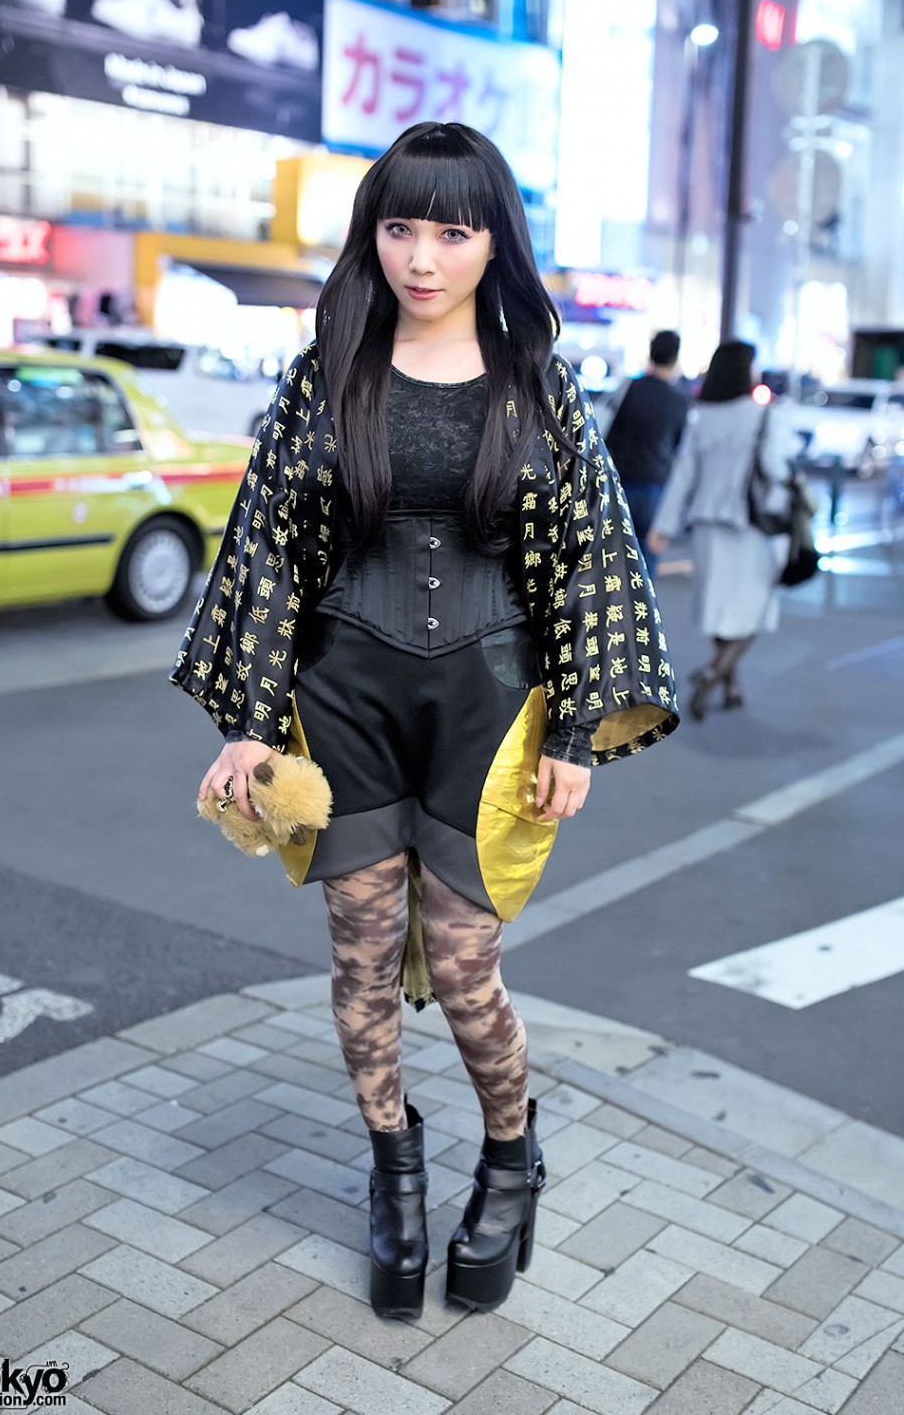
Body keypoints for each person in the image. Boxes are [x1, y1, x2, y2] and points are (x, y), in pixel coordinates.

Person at [171, 121, 679, 1321]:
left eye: (451, 229)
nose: (422, 255)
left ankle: (510, 1156)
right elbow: (269, 556)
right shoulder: (327, 372)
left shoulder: (534, 380)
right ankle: (392, 1167)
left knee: (461, 969)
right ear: (374, 234)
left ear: (492, 239)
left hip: (488, 707)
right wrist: (247, 723)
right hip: (343, 698)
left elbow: (592, 564)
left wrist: (573, 734)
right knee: (354, 960)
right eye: (399, 225)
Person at [647, 338, 791, 718]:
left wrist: (664, 525)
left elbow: (683, 474)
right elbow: (776, 469)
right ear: (746, 371)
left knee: (721, 607)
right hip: (750, 526)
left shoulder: (704, 415)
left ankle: (732, 685)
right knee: (756, 609)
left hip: (706, 525)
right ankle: (713, 675)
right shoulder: (764, 414)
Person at [603, 329, 688, 578]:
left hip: (621, 482)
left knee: (613, 554)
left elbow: (608, 432)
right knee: (645, 562)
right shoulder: (678, 401)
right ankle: (643, 613)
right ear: (674, 358)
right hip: (655, 488)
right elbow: (678, 450)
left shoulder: (630, 388)